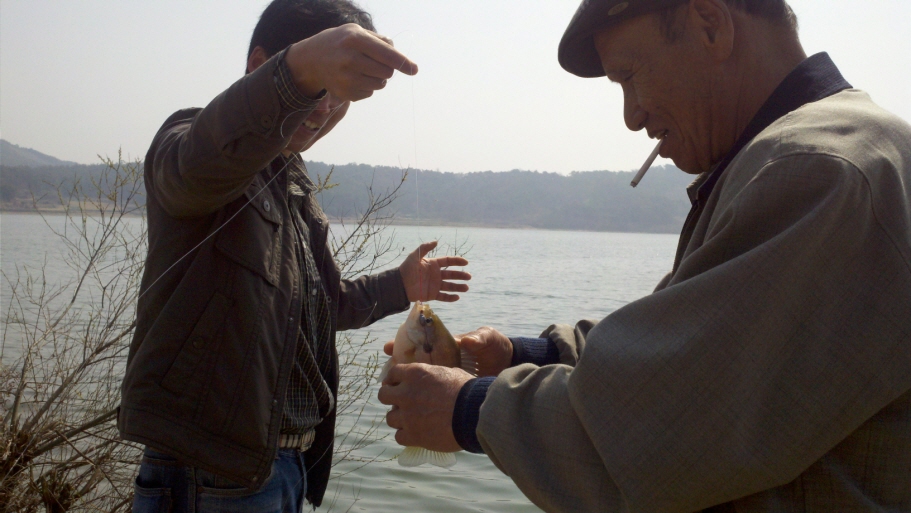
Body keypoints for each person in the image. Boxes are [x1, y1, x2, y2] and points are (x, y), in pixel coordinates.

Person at [378, 0, 911, 511]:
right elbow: (684, 346)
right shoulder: (841, 147)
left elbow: (666, 430)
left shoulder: (815, 170)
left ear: (710, 24)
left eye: (629, 76)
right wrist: (526, 355)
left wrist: (470, 408)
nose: (632, 118)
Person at [118, 1, 472, 511]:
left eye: (338, 94)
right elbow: (189, 171)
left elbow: (328, 304)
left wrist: (401, 285)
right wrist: (298, 73)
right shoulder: (194, 140)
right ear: (260, 65)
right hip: (210, 474)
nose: (324, 108)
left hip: (283, 470)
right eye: (316, 87)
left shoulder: (294, 183)